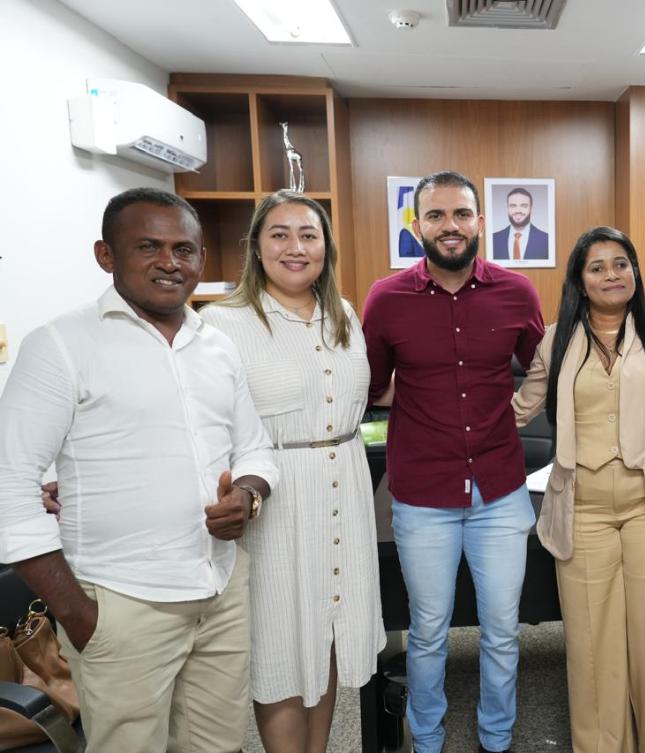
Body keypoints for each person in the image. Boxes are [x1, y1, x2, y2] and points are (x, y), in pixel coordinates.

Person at [0, 187, 278, 752]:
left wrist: (247, 495)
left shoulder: (216, 346)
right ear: (106, 255)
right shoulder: (60, 345)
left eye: (185, 249)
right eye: (149, 246)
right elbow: (9, 487)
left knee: (217, 747)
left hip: (219, 592)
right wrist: (79, 616)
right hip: (122, 604)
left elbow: (255, 449)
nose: (170, 262)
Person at [362, 170, 545, 753]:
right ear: (416, 225)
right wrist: (423, 399)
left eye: (461, 215)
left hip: (499, 488)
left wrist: (512, 410)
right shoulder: (386, 298)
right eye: (435, 216)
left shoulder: (516, 292)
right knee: (428, 632)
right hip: (423, 494)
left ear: (480, 223)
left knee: (501, 632)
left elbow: (542, 368)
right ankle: (428, 739)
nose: (449, 226)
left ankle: (497, 738)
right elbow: (368, 384)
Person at [200, 190, 385, 753]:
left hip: (345, 488)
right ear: (255, 247)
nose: (295, 247)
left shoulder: (344, 314)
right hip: (275, 499)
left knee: (328, 636)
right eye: (279, 234)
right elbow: (202, 424)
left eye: (309, 235)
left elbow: (356, 402)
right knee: (281, 640)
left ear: (326, 246)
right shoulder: (222, 324)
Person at [512, 227, 645, 753]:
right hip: (582, 508)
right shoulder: (556, 339)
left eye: (620, 263)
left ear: (634, 272)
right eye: (597, 267)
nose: (611, 275)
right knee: (593, 652)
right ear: (580, 281)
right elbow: (520, 410)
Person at [491, 187, 549, 261]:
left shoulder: (546, 240)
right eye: (513, 206)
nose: (518, 210)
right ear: (507, 209)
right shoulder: (494, 239)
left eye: (524, 206)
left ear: (531, 209)